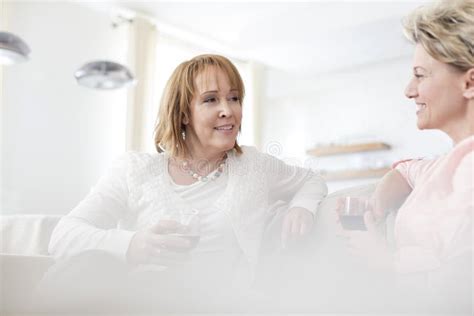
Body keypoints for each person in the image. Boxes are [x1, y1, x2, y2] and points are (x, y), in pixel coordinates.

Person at [42, 54, 328, 311]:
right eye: (210, 99)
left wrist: (301, 207)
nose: (228, 110)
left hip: (221, 304)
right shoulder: (135, 170)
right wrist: (133, 245)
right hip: (142, 301)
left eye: (234, 98)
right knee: (88, 267)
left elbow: (312, 181)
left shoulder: (254, 166)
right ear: (182, 114)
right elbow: (63, 236)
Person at [341, 0, 473, 311]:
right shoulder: (449, 163)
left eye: (420, 75)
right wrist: (377, 204)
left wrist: (385, 261)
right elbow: (406, 171)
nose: (408, 90)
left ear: (469, 82)